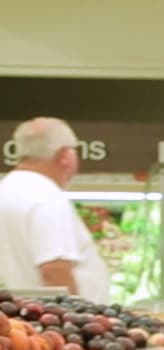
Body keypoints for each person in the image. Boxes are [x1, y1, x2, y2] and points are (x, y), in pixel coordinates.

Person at [0, 116, 110, 300]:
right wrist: (75, 320)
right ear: (64, 156)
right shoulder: (46, 197)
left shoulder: (6, 190)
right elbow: (54, 268)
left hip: (27, 315)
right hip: (54, 321)